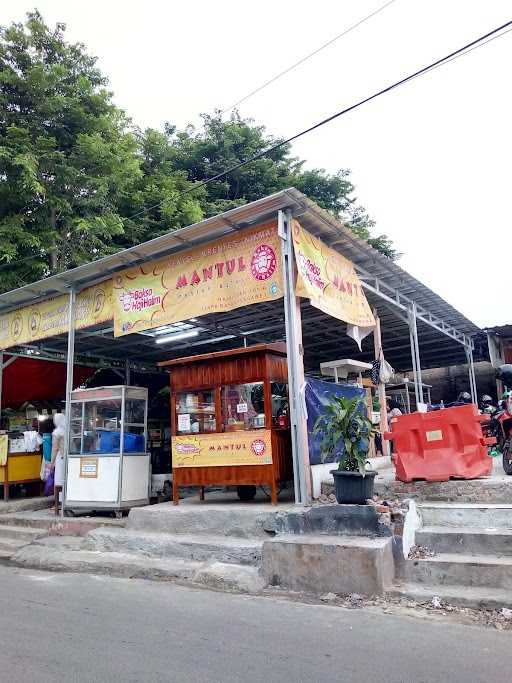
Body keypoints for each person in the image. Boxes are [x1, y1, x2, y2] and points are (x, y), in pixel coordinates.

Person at [51, 413, 66, 515]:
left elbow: (55, 448)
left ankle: (59, 504)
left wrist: (51, 462)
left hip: (60, 459)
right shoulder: (68, 431)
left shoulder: (56, 433)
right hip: (68, 458)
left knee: (58, 483)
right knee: (66, 481)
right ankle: (66, 502)